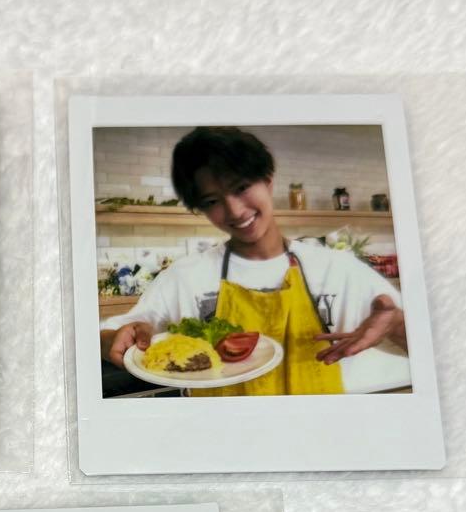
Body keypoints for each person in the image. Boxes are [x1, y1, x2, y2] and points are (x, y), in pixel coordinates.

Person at [100, 126, 408, 396]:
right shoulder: (184, 276)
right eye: (212, 201)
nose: (234, 210)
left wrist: (395, 325)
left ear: (268, 181)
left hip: (318, 431)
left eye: (241, 187)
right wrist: (115, 339)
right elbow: (106, 339)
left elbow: (426, 346)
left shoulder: (338, 269)